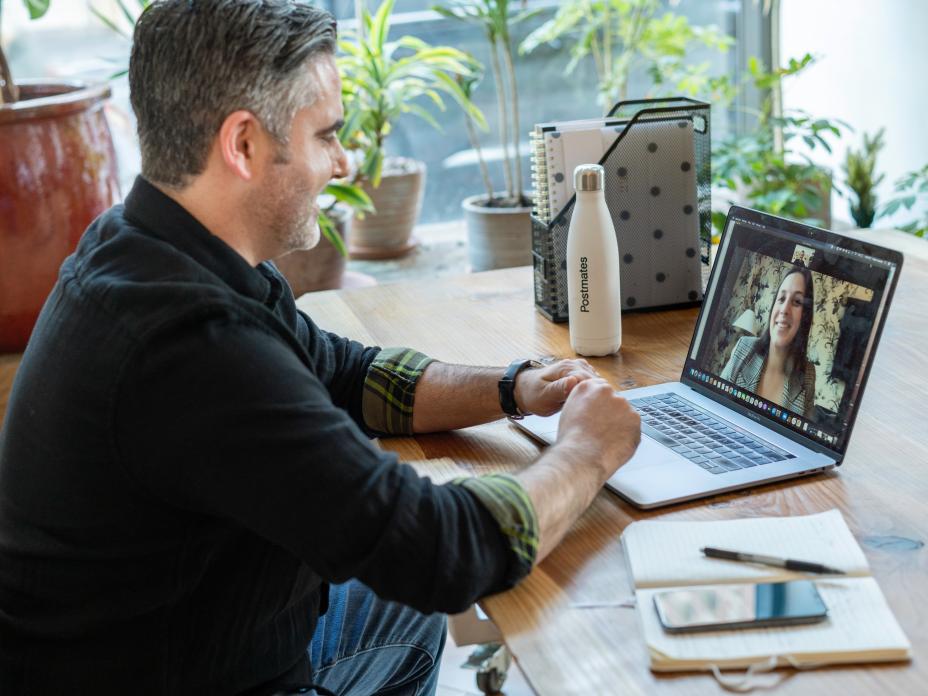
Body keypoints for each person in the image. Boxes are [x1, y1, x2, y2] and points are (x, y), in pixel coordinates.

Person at [0, 2, 641, 695]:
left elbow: (346, 372)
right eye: (326, 136)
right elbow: (441, 552)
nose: (343, 162)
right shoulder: (193, 348)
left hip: (177, 633)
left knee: (405, 615)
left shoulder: (147, 245)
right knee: (426, 586)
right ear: (242, 144)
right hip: (176, 677)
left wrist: (515, 386)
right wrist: (589, 450)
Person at [721, 265, 817, 417]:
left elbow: (801, 435)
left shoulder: (808, 375)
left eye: (797, 302)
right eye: (781, 298)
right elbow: (715, 402)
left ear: (805, 317)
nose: (785, 309)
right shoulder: (743, 347)